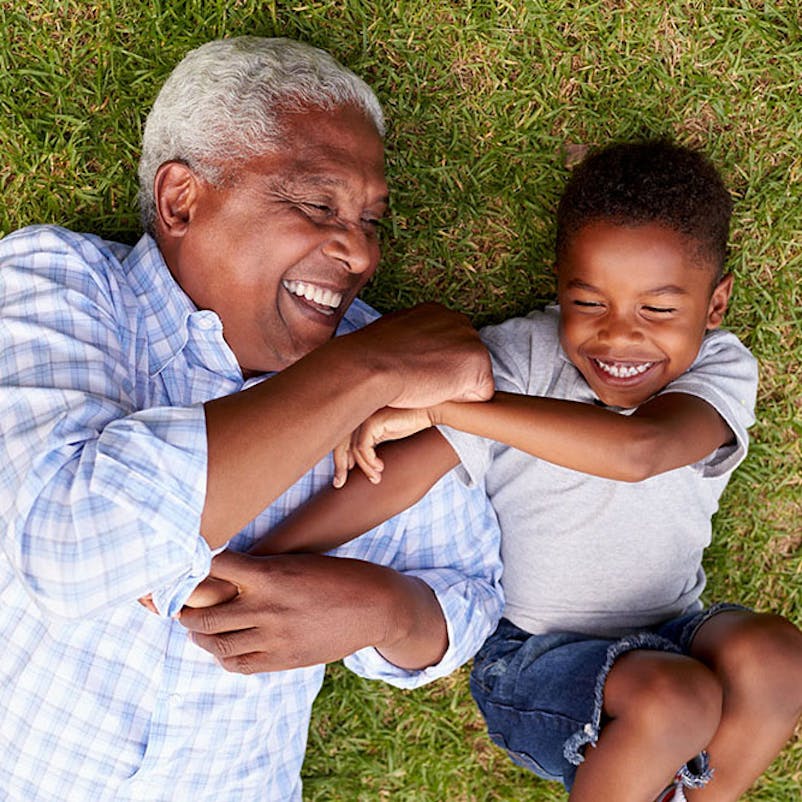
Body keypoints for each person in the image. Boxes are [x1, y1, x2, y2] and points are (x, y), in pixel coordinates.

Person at [194, 141, 802, 802]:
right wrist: (260, 559)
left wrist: (450, 405)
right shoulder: (520, 357)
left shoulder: (720, 367)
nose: (619, 338)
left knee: (778, 659)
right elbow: (403, 475)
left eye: (658, 310)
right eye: (589, 303)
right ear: (561, 284)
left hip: (677, 626)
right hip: (536, 662)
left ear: (714, 307)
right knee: (676, 699)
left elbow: (642, 452)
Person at [0, 36, 504, 801]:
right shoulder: (59, 282)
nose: (362, 254)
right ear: (182, 200)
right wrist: (362, 371)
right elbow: (72, 546)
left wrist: (381, 608)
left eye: (371, 220)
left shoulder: (389, 374)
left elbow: (467, 596)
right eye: (317, 204)